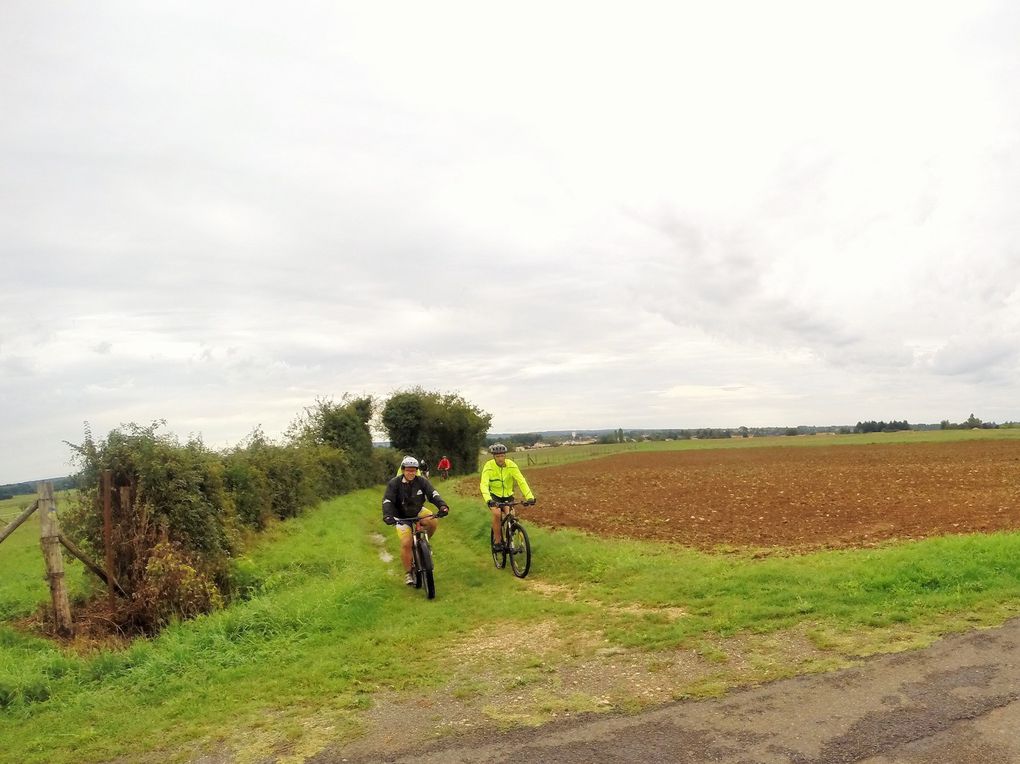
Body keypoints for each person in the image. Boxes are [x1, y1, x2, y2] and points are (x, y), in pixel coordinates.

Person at [382, 456, 450, 585]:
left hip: (418, 511)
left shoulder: (422, 481)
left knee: (433, 521)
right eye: (408, 470)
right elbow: (388, 500)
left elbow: (433, 494)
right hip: (401, 516)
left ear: (417, 471)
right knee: (406, 543)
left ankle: (424, 543)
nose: (411, 473)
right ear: (403, 470)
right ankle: (408, 573)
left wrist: (442, 506)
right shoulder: (394, 483)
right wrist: (387, 515)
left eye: (413, 470)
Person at [479, 443, 535, 552]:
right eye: (497, 456)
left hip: (508, 495)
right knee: (497, 514)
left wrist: (530, 497)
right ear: (494, 457)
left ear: (505, 455)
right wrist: (488, 500)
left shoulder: (511, 465)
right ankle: (498, 542)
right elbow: (484, 485)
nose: (500, 458)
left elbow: (521, 481)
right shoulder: (489, 466)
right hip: (494, 496)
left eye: (502, 455)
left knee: (511, 515)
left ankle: (510, 540)